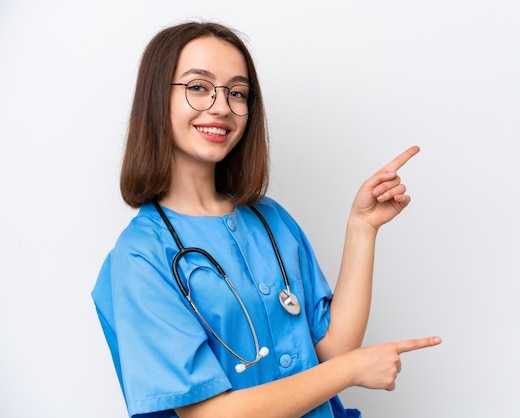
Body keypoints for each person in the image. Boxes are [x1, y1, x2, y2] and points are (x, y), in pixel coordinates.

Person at [91, 20, 441, 418]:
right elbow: (207, 414)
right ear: (156, 99)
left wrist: (363, 227)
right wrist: (349, 371)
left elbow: (332, 348)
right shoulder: (139, 258)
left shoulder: (270, 219)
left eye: (237, 93)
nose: (222, 106)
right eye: (198, 87)